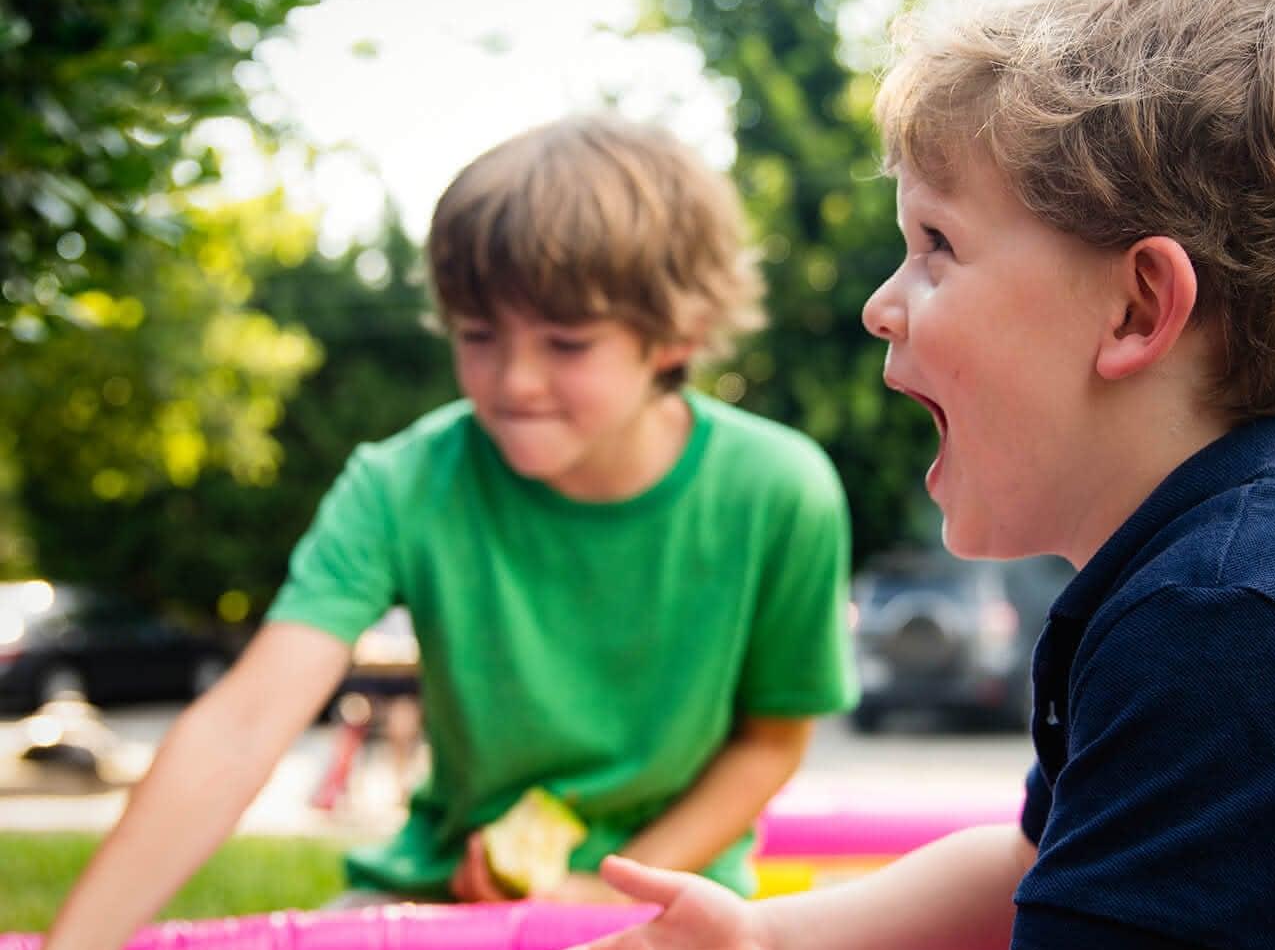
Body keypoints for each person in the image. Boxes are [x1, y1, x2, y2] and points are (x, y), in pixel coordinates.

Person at [570, 0, 1275, 949]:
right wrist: (768, 934)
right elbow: (1031, 865)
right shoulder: (1215, 576)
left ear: (1137, 308)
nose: (881, 304)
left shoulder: (1236, 625)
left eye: (937, 245)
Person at [44, 115, 858, 948]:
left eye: (567, 342)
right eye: (478, 335)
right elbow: (242, 724)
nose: (515, 380)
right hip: (438, 897)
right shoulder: (401, 483)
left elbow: (770, 740)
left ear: (676, 336)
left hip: (673, 905)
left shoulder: (780, 490)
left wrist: (601, 890)